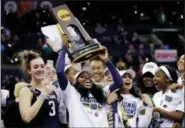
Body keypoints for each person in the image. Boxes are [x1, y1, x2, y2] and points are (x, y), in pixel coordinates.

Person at [55, 34, 123, 127]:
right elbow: (59, 72)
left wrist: (107, 61)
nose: (87, 79)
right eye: (82, 77)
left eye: (88, 77)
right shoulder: (71, 92)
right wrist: (64, 49)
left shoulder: (100, 91)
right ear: (76, 81)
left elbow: (119, 83)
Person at [16, 50, 61, 128]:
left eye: (42, 66)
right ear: (29, 70)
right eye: (36, 67)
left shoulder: (49, 88)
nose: (40, 69)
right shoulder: (26, 90)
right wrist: (43, 95)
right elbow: (26, 118)